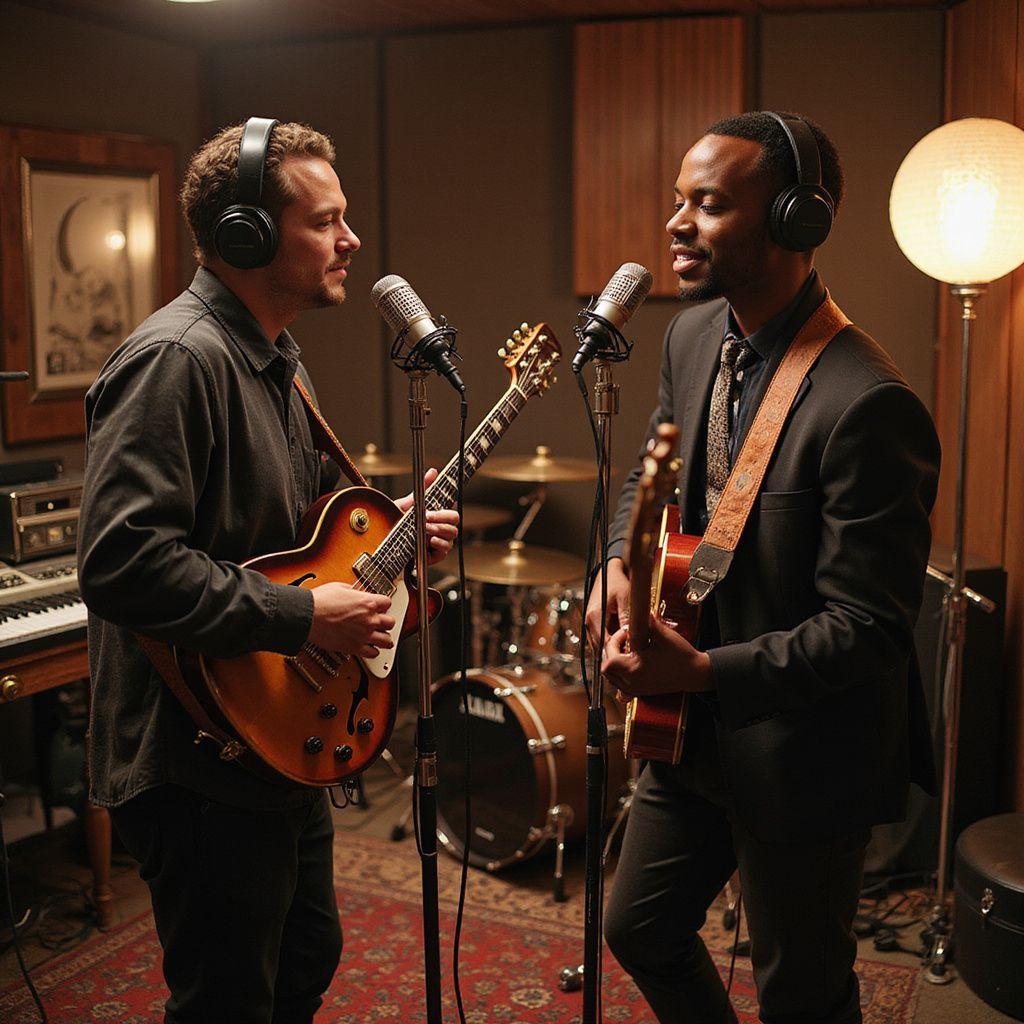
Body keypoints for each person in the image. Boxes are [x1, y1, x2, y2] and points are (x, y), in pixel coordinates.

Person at [77, 118, 458, 1024]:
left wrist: (391, 538)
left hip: (276, 735)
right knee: (225, 996)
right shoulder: (177, 360)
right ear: (248, 235)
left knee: (303, 957)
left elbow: (301, 544)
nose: (351, 241)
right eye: (326, 221)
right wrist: (303, 620)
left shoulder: (279, 364)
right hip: (195, 754)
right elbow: (122, 563)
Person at [586, 111, 941, 1023]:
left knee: (802, 992)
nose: (676, 224)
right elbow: (647, 474)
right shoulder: (691, 335)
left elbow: (868, 630)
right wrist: (614, 569)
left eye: (708, 204)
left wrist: (701, 669)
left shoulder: (870, 403)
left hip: (806, 750)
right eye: (678, 201)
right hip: (688, 729)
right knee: (639, 927)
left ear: (794, 222)